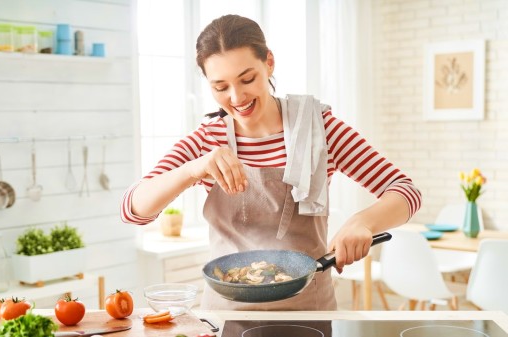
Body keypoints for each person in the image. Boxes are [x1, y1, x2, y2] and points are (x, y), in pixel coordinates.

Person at [121, 14, 421, 310]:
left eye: (247, 79)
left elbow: (406, 191)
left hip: (308, 310)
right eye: (220, 87)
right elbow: (133, 210)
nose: (236, 97)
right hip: (226, 314)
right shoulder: (207, 140)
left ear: (269, 63)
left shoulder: (319, 129)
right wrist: (192, 168)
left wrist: (363, 222)